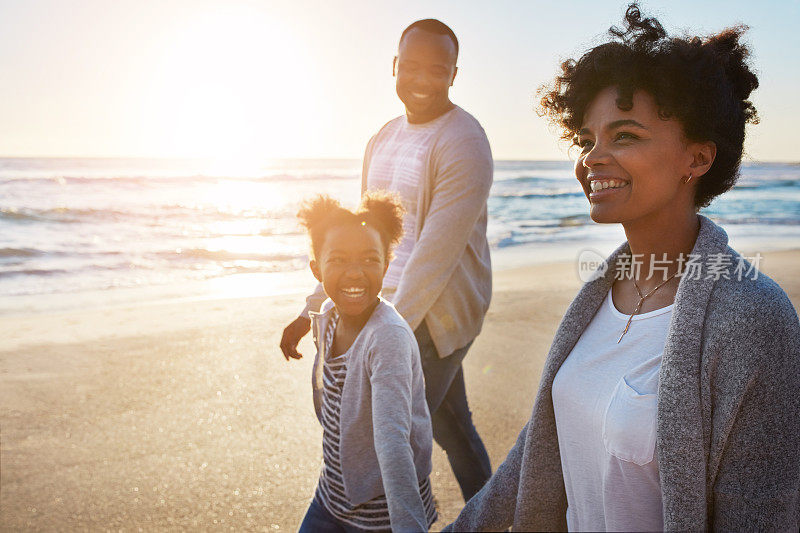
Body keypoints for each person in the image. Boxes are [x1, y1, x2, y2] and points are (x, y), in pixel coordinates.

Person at [446, 4, 800, 531]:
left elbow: (760, 516)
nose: (592, 157)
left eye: (625, 135)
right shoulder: (598, 295)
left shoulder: (755, 319)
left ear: (698, 159)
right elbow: (535, 458)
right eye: (587, 139)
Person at [281, 18, 493, 501]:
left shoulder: (464, 141)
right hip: (378, 303)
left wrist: (376, 333)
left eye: (436, 70)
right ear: (394, 66)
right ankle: (495, 517)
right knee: (452, 430)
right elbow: (352, 239)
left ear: (454, 74)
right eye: (411, 67)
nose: (421, 80)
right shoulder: (382, 138)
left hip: (431, 318)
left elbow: (434, 259)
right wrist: (311, 308)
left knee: (379, 444)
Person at [295, 192, 437, 532]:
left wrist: (408, 526)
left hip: (382, 511)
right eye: (339, 260)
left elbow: (393, 441)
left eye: (370, 260)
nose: (355, 273)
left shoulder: (386, 338)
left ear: (386, 266)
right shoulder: (328, 316)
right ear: (317, 268)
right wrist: (300, 321)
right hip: (331, 495)